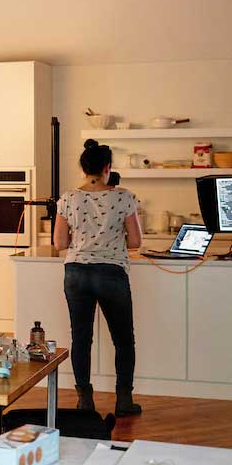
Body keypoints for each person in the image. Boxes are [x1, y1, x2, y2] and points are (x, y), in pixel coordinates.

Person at [53, 140, 144, 417]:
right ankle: (124, 401)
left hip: (77, 273)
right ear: (108, 167)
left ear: (82, 167)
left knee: (81, 338)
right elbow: (136, 242)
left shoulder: (68, 198)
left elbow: (59, 243)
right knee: (123, 340)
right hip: (111, 273)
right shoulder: (124, 197)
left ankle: (84, 400)